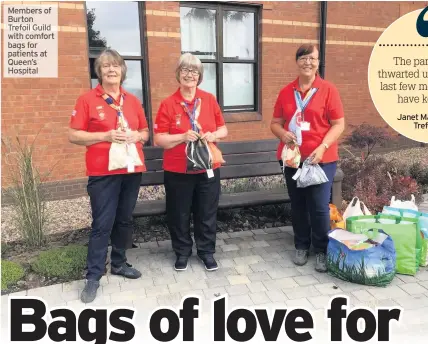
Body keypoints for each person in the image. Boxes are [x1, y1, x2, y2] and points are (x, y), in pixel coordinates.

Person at [69, 48, 150, 303]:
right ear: (99, 72)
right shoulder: (87, 100)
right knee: (102, 224)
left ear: (122, 70)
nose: (111, 70)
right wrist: (104, 136)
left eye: (115, 65)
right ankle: (93, 277)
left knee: (124, 220)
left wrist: (138, 136)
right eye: (106, 66)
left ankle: (119, 262)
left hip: (131, 169)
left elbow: (146, 132)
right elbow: (73, 135)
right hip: (103, 173)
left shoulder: (132, 100)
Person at [270, 44, 345, 272]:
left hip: (321, 159)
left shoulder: (328, 90)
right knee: (299, 205)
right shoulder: (286, 91)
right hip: (293, 159)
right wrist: (283, 134)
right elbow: (274, 123)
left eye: (312, 58)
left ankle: (321, 250)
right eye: (303, 58)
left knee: (319, 207)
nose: (307, 62)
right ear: (297, 61)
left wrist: (322, 147)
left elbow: (338, 124)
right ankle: (301, 245)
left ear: (318, 62)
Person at [154, 53, 228, 272]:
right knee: (179, 213)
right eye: (185, 70)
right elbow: (159, 139)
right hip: (178, 170)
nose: (189, 75)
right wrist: (181, 137)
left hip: (207, 168)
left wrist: (213, 135)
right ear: (178, 74)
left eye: (194, 71)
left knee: (206, 212)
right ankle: (182, 252)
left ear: (200, 76)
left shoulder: (209, 99)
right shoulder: (168, 104)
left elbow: (224, 129)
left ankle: (206, 252)